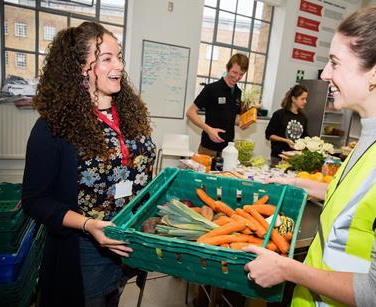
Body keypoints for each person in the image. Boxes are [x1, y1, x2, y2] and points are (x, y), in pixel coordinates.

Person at [243, 0, 376, 306]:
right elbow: (359, 200)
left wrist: (287, 269)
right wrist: (293, 183)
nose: (325, 73)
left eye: (336, 62)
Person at [22, 22, 155, 307]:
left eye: (119, 56)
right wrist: (88, 225)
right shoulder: (53, 126)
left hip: (127, 241)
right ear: (82, 68)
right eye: (106, 58)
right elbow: (35, 200)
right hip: (85, 250)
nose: (118, 65)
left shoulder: (129, 113)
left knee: (114, 298)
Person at [186, 53, 249, 157]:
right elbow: (190, 112)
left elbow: (234, 118)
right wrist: (208, 129)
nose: (237, 77)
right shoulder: (211, 89)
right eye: (235, 72)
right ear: (227, 68)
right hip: (208, 149)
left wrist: (243, 122)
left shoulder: (238, 92)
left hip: (227, 151)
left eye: (241, 74)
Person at [265, 84, 309, 166]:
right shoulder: (279, 114)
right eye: (302, 99)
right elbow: (269, 135)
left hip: (296, 159)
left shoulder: (303, 117)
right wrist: (285, 140)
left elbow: (305, 137)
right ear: (293, 99)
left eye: (306, 99)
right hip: (278, 157)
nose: (305, 101)